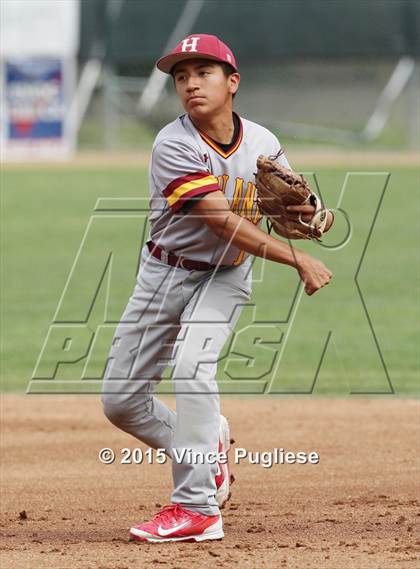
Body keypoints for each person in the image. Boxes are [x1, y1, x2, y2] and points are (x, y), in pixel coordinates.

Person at [101, 33, 334, 543]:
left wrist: (305, 215)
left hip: (224, 276)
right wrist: (298, 258)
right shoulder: (174, 143)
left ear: (233, 82)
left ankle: (197, 508)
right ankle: (212, 449)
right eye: (181, 77)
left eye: (202, 73)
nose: (189, 84)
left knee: (191, 366)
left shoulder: (263, 143)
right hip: (163, 273)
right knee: (121, 402)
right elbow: (220, 221)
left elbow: (286, 210)